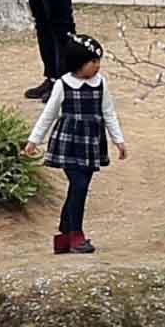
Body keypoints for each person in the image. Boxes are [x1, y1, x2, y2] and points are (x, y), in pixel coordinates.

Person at [35, 32, 128, 252]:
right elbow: (48, 114)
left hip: (91, 144)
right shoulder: (63, 84)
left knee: (79, 187)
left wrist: (119, 140)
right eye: (92, 62)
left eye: (98, 61)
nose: (97, 66)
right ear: (78, 63)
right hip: (68, 143)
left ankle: (64, 236)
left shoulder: (100, 84)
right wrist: (34, 140)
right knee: (79, 185)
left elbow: (109, 113)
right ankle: (76, 234)